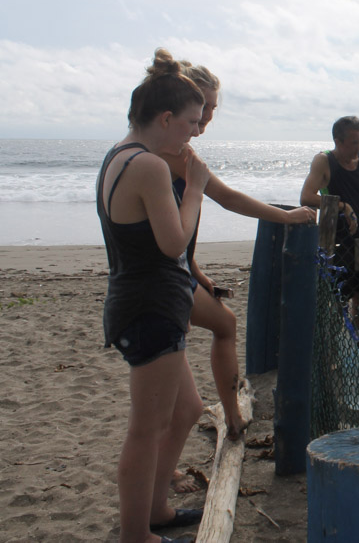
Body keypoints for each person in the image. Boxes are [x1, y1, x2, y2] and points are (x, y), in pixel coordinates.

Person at [159, 62, 316, 495]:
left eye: (210, 110)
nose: (206, 119)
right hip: (159, 283)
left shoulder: (177, 152)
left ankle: (229, 416)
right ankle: (230, 418)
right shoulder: (169, 155)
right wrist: (285, 215)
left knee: (219, 332)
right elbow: (223, 199)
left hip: (176, 273)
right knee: (170, 396)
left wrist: (194, 268)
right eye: (201, 110)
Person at [97, 48, 209, 542]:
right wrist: (196, 189)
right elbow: (173, 244)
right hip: (148, 309)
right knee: (146, 430)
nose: (193, 132)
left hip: (139, 302)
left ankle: (157, 509)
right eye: (190, 121)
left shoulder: (117, 156)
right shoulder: (148, 167)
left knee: (186, 410)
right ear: (165, 118)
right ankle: (135, 535)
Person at [299, 116, 359, 315]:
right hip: (338, 237)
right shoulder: (324, 161)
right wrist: (343, 206)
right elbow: (306, 197)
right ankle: (335, 342)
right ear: (338, 141)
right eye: (354, 142)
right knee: (338, 296)